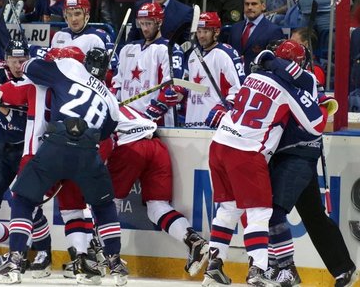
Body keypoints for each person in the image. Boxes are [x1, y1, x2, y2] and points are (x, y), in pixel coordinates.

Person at [0, 49, 128, 286]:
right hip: (88, 151)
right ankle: (114, 260)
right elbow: (105, 133)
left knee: (23, 200)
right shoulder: (111, 99)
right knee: (103, 205)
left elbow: (29, 67)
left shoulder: (68, 67)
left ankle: (15, 259)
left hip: (55, 145)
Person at [202, 49, 328, 287]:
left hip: (219, 144)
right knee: (260, 212)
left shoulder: (252, 77)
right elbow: (317, 126)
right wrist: (322, 105)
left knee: (228, 209)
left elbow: (231, 103)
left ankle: (214, 267)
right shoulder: (290, 89)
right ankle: (257, 270)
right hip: (246, 151)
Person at [258, 41, 357, 287]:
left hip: (297, 155)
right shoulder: (281, 80)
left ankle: (280, 267)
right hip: (285, 155)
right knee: (313, 215)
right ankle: (343, 268)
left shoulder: (304, 81)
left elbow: (321, 108)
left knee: (273, 211)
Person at [0, 40, 54, 279]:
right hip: (3, 144)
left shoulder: (34, 79)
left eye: (23, 60)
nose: (19, 65)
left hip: (28, 147)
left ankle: (44, 252)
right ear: (5, 60)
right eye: (14, 61)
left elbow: (17, 116)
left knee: (29, 205)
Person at [108, 97, 209, 276]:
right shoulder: (118, 105)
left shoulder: (88, 106)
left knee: (106, 202)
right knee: (157, 207)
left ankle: (108, 255)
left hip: (130, 147)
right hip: (155, 145)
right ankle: (193, 241)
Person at [112, 2, 184, 127]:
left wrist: (153, 112)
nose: (145, 28)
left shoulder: (169, 49)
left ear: (159, 22)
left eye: (149, 24)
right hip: (125, 119)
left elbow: (173, 86)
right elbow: (116, 84)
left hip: (157, 123)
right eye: (142, 23)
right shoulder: (128, 49)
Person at [184, 11, 244, 128]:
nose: (201, 36)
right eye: (199, 31)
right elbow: (189, 87)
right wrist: (179, 92)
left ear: (216, 32)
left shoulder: (225, 54)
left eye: (205, 31)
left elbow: (239, 90)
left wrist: (224, 107)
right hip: (191, 123)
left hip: (215, 124)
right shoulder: (193, 55)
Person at [227, 0, 284, 76]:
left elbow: (275, 62)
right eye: (247, 4)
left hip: (258, 81)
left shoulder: (273, 31)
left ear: (263, 6)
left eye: (254, 4)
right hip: (234, 78)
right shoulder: (235, 28)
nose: (249, 7)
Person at [50, 0, 115, 56]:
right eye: (69, 14)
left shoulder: (99, 38)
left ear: (86, 14)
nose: (73, 19)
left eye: (77, 14)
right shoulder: (59, 35)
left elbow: (111, 66)